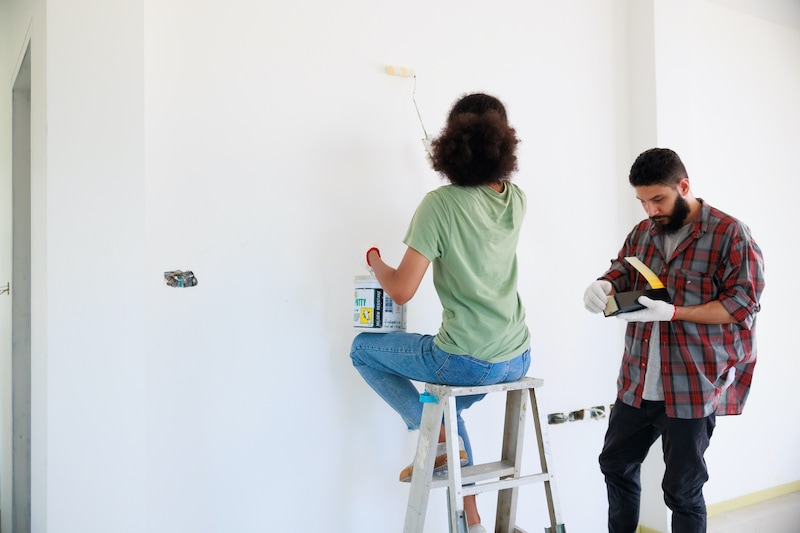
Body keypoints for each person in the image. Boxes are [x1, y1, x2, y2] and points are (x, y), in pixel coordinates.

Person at [350, 93, 531, 533]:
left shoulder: (441, 205)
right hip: (516, 355)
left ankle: (435, 444)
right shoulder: (515, 198)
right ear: (504, 142)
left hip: (465, 361)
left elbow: (401, 290)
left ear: (451, 141)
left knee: (361, 349)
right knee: (445, 408)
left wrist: (374, 259)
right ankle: (472, 520)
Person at [583, 148, 765, 532]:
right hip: (637, 383)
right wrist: (603, 285)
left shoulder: (729, 233)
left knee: (682, 490)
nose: (650, 210)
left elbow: (742, 305)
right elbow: (622, 270)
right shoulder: (643, 233)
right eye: (642, 202)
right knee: (615, 464)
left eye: (658, 199)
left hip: (691, 388)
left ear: (684, 186)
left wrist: (677, 312)